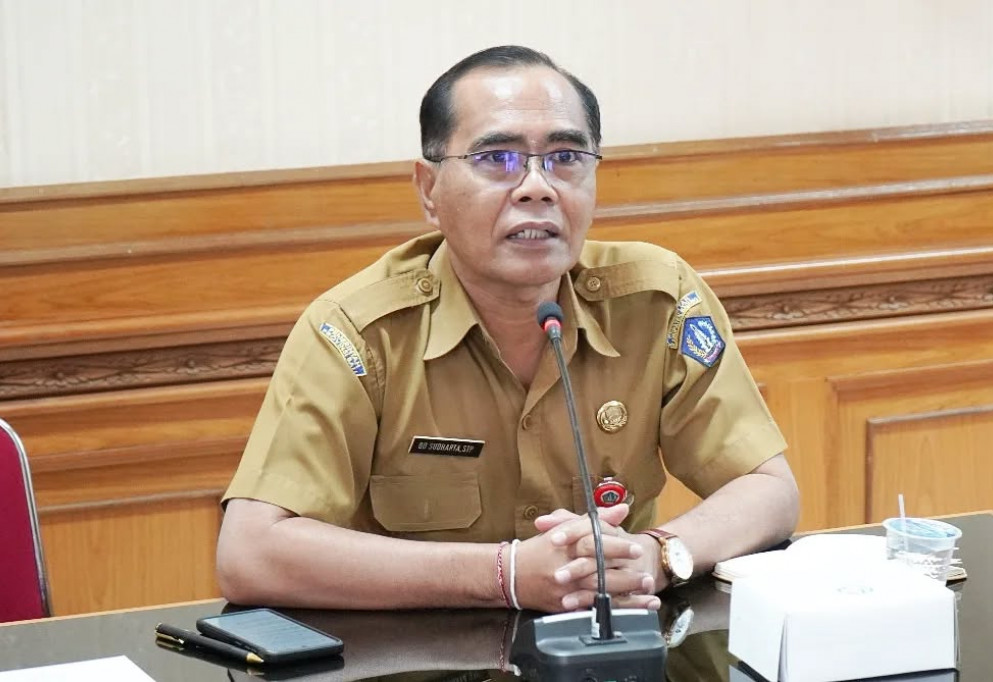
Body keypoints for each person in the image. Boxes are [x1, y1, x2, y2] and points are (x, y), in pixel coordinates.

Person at [216, 45, 799, 614]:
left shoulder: (656, 300)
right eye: (497, 159)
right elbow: (250, 552)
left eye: (566, 157)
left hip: (613, 640)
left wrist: (659, 554)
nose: (537, 186)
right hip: (424, 651)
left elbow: (770, 489)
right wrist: (505, 574)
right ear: (429, 189)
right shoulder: (359, 333)